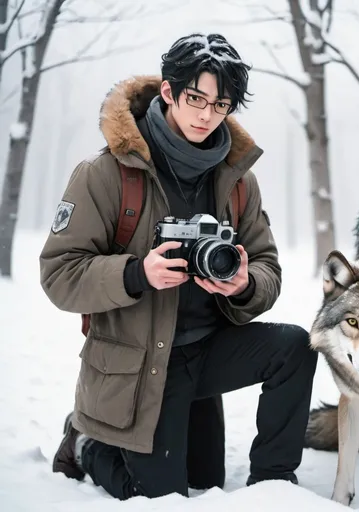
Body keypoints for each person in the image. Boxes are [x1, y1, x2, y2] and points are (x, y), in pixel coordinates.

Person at [39, 33, 318, 500]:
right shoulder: (106, 173)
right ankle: (87, 444)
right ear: (168, 92)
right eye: (195, 99)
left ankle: (274, 486)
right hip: (141, 363)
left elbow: (267, 264)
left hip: (205, 351)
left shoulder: (237, 180)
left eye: (221, 104)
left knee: (295, 348)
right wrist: (136, 274)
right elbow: (58, 274)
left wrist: (245, 284)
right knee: (161, 498)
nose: (207, 115)